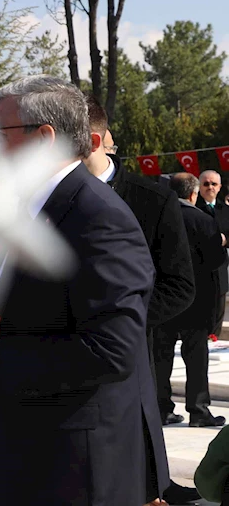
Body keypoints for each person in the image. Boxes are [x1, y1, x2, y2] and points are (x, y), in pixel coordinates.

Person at [0, 75, 162, 505]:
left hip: (70, 468)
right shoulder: (29, 207)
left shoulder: (98, 217)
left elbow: (112, 349)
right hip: (26, 455)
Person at [84, 98, 195, 504]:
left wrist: (121, 322)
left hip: (128, 362)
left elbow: (179, 286)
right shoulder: (39, 203)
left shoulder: (151, 199)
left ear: (92, 140)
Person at [156, 173, 227, 428]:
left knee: (161, 357)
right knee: (196, 359)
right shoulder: (202, 219)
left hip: (164, 300)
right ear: (193, 194)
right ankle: (198, 411)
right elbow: (216, 260)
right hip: (196, 300)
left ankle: (162, 408)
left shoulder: (157, 218)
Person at [197, 170, 229, 340]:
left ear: (219, 187)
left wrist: (225, 240)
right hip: (199, 269)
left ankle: (214, 339)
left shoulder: (226, 210)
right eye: (206, 184)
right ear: (199, 187)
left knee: (219, 309)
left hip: (220, 268)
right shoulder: (194, 208)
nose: (210, 187)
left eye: (213, 184)